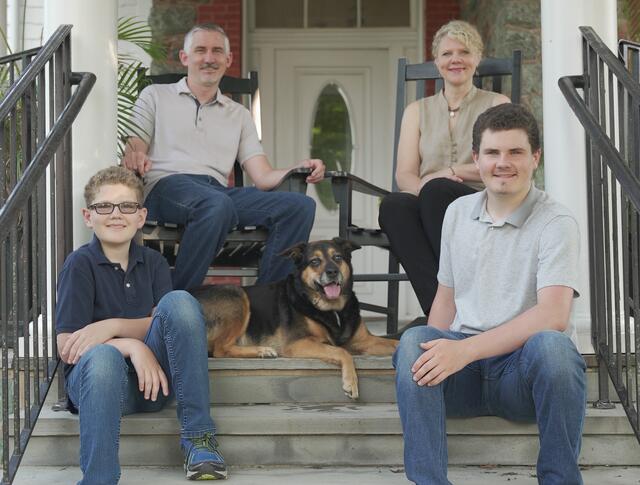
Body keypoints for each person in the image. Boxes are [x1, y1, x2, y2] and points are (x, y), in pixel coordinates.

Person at [393, 104, 587, 485]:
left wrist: (464, 350)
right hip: (464, 375)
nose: (503, 163)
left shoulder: (556, 221)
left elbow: (553, 315)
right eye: (493, 153)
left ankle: (559, 479)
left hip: (523, 377)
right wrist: (441, 348)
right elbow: (446, 297)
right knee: (416, 340)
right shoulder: (457, 213)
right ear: (476, 159)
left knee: (554, 347)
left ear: (535, 158)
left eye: (515, 152)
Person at [123, 23, 325, 290]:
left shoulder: (238, 114)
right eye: (200, 50)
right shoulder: (155, 96)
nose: (209, 58)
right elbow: (135, 145)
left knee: (300, 206)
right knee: (216, 205)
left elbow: (263, 177)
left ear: (228, 60)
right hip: (167, 186)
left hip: (217, 194)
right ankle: (173, 300)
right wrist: (136, 155)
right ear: (185, 58)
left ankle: (267, 302)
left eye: (217, 51)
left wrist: (297, 167)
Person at [55, 166, 226, 483]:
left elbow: (166, 322)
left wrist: (112, 326)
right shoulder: (79, 264)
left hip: (153, 385)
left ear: (141, 215)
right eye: (104, 206)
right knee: (104, 358)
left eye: (127, 206)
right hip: (99, 388)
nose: (116, 214)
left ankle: (199, 439)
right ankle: (99, 478)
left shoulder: (155, 263)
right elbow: (67, 346)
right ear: (88, 216)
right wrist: (132, 345)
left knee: (180, 301)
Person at [378, 20, 509, 317]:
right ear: (436, 61)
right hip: (430, 200)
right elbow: (405, 174)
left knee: (437, 190)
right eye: (447, 53)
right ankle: (443, 312)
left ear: (477, 59)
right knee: (394, 205)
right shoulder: (417, 111)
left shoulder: (496, 104)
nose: (456, 60)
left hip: (480, 199)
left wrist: (451, 173)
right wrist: (426, 189)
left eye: (464, 52)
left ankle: (456, 307)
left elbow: (501, 164)